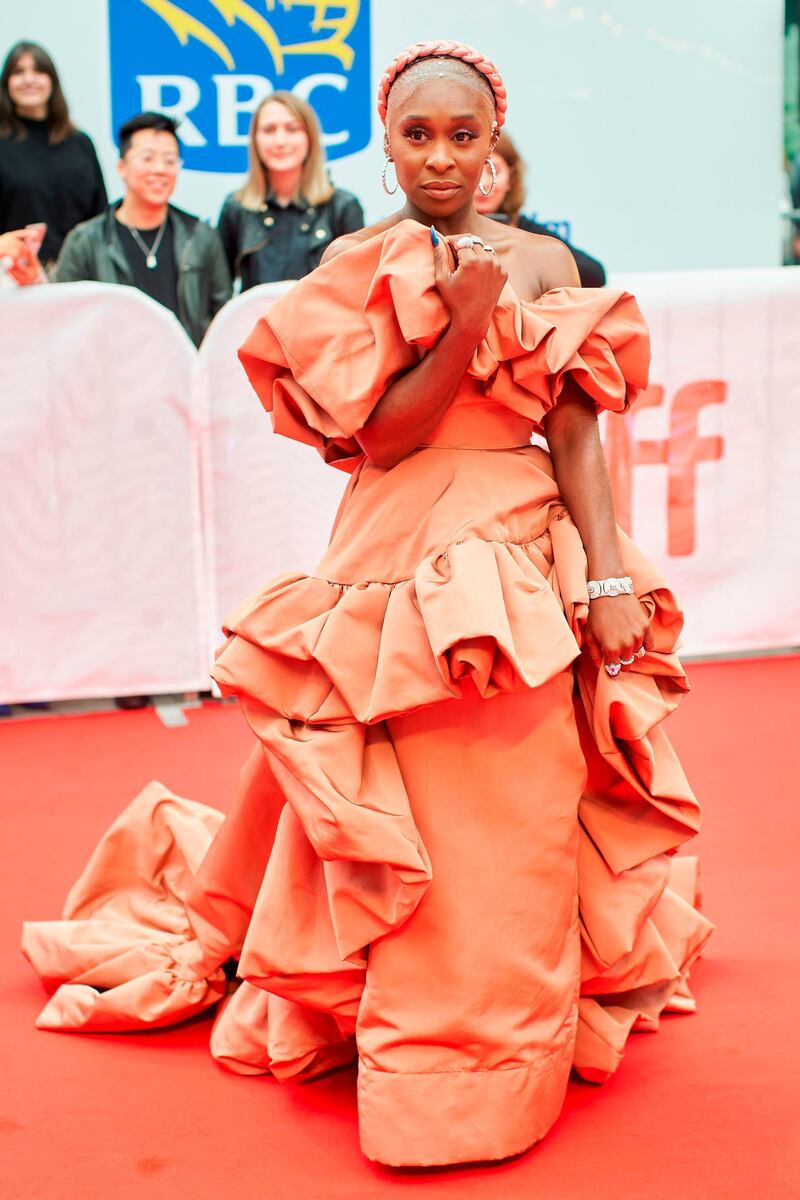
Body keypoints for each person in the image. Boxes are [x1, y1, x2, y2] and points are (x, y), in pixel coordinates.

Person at [22, 41, 712, 1169]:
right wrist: (457, 320)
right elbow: (379, 435)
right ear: (384, 149)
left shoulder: (548, 262)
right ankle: (409, 1038)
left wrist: (602, 577)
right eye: (416, 136)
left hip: (523, 554)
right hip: (396, 544)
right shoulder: (355, 262)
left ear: (493, 143)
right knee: (405, 798)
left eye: (462, 135)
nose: (440, 156)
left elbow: (578, 429)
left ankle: (509, 1042)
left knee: (524, 800)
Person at [54, 111, 231, 346]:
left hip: (186, 376)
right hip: (112, 377)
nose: (159, 169)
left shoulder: (200, 236)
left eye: (170, 160)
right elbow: (64, 321)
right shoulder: (85, 241)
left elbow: (223, 320)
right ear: (122, 167)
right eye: (147, 159)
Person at [217, 91, 363, 288]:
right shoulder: (236, 208)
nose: (280, 141)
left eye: (292, 129)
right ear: (255, 140)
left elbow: (357, 289)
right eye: (268, 130)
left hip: (320, 319)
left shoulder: (342, 208)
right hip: (255, 319)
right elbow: (220, 291)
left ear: (310, 137)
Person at [0, 42, 106, 269]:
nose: (29, 79)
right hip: (14, 276)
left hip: (80, 275)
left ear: (52, 81)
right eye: (18, 72)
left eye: (38, 71)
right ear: (6, 83)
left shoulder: (80, 144)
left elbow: (100, 217)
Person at [474, 129, 606, 286]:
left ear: (510, 179)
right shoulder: (442, 228)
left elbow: (593, 273)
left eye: (494, 171)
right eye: (477, 170)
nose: (484, 183)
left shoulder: (523, 228)